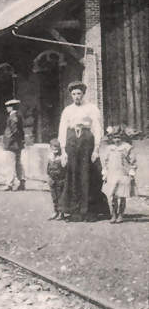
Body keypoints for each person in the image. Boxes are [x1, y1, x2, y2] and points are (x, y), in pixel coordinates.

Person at [57, 81, 103, 222]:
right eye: (74, 94)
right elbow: (62, 130)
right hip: (72, 143)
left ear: (83, 94)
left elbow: (97, 128)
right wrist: (64, 151)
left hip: (86, 142)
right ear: (71, 95)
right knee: (73, 175)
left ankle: (88, 210)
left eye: (79, 94)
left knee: (87, 174)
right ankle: (75, 210)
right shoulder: (67, 110)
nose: (76, 96)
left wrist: (96, 149)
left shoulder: (91, 108)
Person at [102, 126, 138, 224]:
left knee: (122, 195)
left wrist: (131, 172)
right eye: (114, 137)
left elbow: (133, 161)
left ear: (122, 138)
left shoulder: (127, 147)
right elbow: (105, 161)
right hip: (112, 174)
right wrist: (105, 172)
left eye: (119, 137)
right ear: (111, 138)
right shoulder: (109, 148)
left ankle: (121, 214)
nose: (116, 140)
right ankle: (113, 214)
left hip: (123, 174)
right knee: (113, 195)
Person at [3, 99, 25, 191]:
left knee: (10, 164)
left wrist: (11, 140)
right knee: (18, 164)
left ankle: (9, 184)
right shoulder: (18, 116)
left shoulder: (12, 116)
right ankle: (22, 182)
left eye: (8, 106)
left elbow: (15, 131)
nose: (7, 108)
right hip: (17, 144)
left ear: (12, 107)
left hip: (12, 144)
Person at [46, 138, 66, 220]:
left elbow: (64, 169)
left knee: (60, 196)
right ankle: (55, 211)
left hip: (59, 180)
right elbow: (48, 168)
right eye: (53, 149)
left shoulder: (61, 158)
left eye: (57, 149)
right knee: (54, 197)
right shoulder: (50, 157)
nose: (55, 151)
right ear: (50, 148)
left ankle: (61, 213)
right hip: (52, 180)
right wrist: (49, 177)